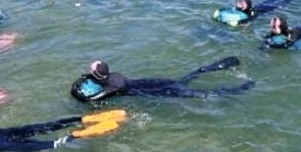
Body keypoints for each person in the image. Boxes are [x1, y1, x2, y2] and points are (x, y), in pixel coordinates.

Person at [0, 104, 127, 152]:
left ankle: (74, 137)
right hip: (1, 132)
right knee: (41, 127)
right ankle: (82, 119)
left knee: (46, 145)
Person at [70, 57, 254, 103]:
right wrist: (86, 77)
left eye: (91, 69)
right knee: (183, 80)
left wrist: (84, 98)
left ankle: (236, 89)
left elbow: (96, 97)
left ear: (97, 73)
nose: (88, 69)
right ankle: (202, 70)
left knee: (197, 94)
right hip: (149, 82)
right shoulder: (113, 75)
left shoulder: (114, 84)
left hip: (152, 91)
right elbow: (98, 79)